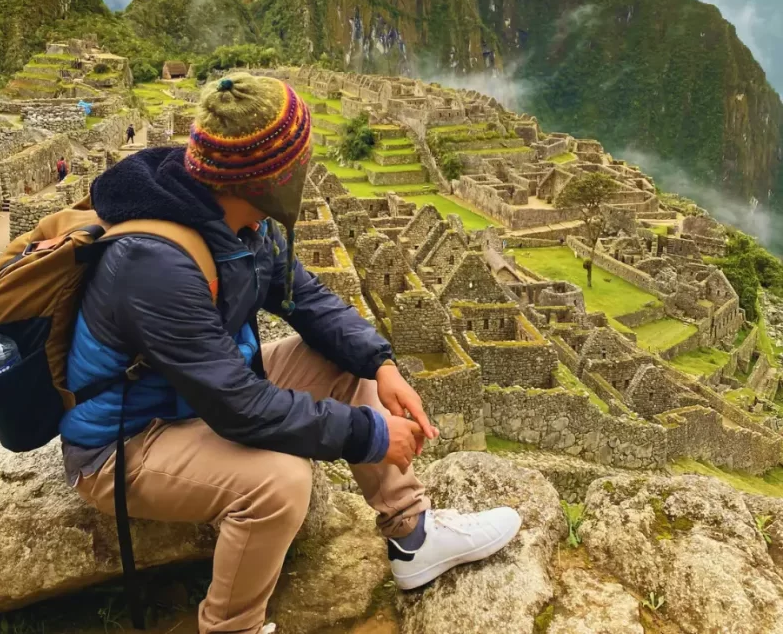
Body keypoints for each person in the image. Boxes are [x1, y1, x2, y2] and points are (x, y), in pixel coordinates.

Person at [60, 74, 521, 634]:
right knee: (280, 483)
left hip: (193, 397)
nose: (304, 172)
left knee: (340, 359)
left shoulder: (236, 220)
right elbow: (238, 405)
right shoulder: (154, 262)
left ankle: (413, 535)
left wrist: (381, 363)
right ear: (266, 175)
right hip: (128, 438)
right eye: (297, 163)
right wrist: (370, 434)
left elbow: (309, 301)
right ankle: (233, 627)